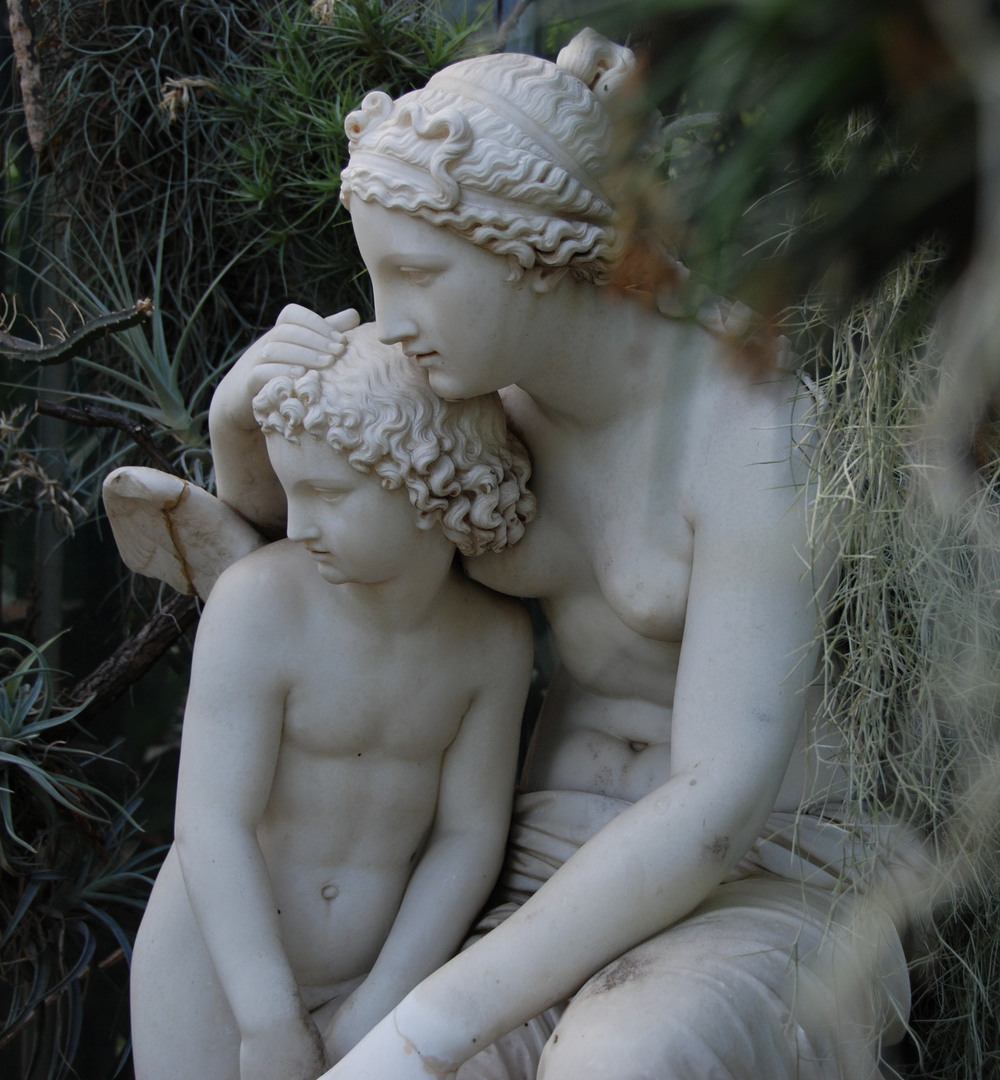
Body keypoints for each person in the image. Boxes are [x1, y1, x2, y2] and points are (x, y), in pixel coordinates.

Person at [194, 28, 920, 1080]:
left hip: (765, 879)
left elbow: (714, 808)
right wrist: (234, 417)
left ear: (527, 248)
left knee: (616, 1066)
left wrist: (418, 1031)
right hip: (532, 868)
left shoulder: (752, 432)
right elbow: (312, 542)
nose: (388, 323)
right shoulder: (467, 402)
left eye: (416, 275)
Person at [128, 328, 536, 1080]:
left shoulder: (493, 643)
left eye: (328, 494)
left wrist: (385, 995)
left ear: (425, 480)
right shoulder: (263, 604)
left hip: (374, 974)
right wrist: (266, 1019)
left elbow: (467, 835)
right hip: (220, 974)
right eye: (291, 491)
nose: (301, 523)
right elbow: (212, 820)